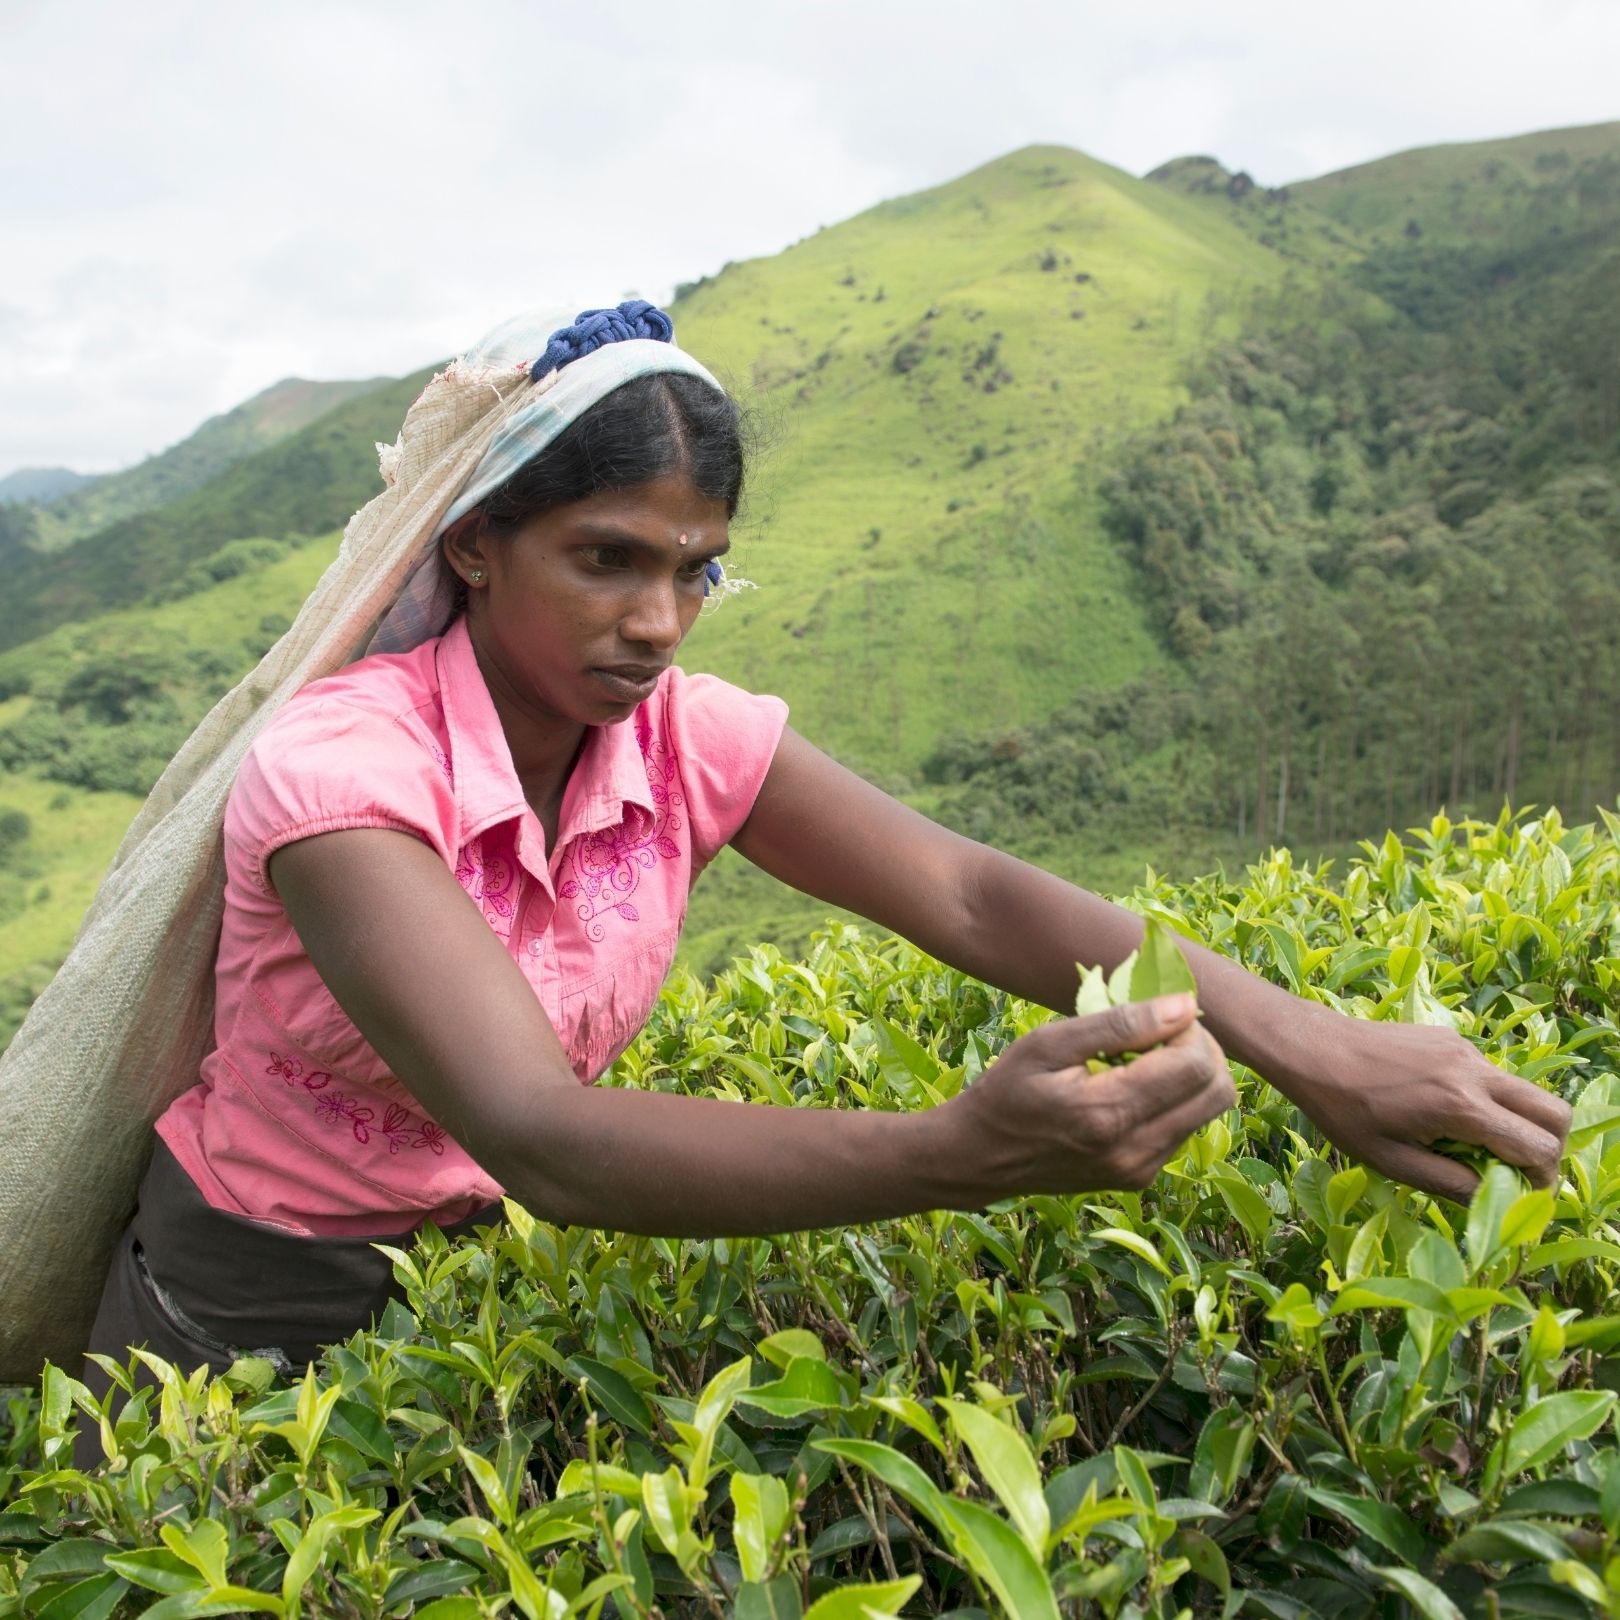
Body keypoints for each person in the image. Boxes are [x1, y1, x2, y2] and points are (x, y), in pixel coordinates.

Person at [82, 301, 1571, 1400]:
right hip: (247, 1297)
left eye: (694, 569)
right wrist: (954, 1158)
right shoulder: (347, 774)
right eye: (605, 558)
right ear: (476, 542)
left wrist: (1315, 1047)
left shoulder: (681, 737)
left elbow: (973, 893)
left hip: (483, 1282)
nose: (657, 621)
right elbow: (541, 1132)